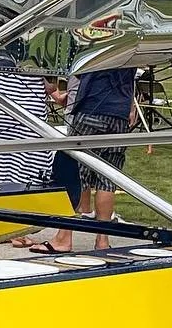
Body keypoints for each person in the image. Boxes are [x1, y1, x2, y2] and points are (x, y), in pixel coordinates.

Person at [0, 33, 54, 239]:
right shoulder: (41, 52)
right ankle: (17, 228)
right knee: (25, 169)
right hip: (29, 114)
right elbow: (49, 87)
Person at [47, 65, 136, 253]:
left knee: (74, 172)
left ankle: (64, 237)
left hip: (91, 108)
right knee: (107, 179)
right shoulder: (129, 43)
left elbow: (76, 70)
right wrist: (130, 107)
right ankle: (102, 240)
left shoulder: (94, 39)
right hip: (119, 113)